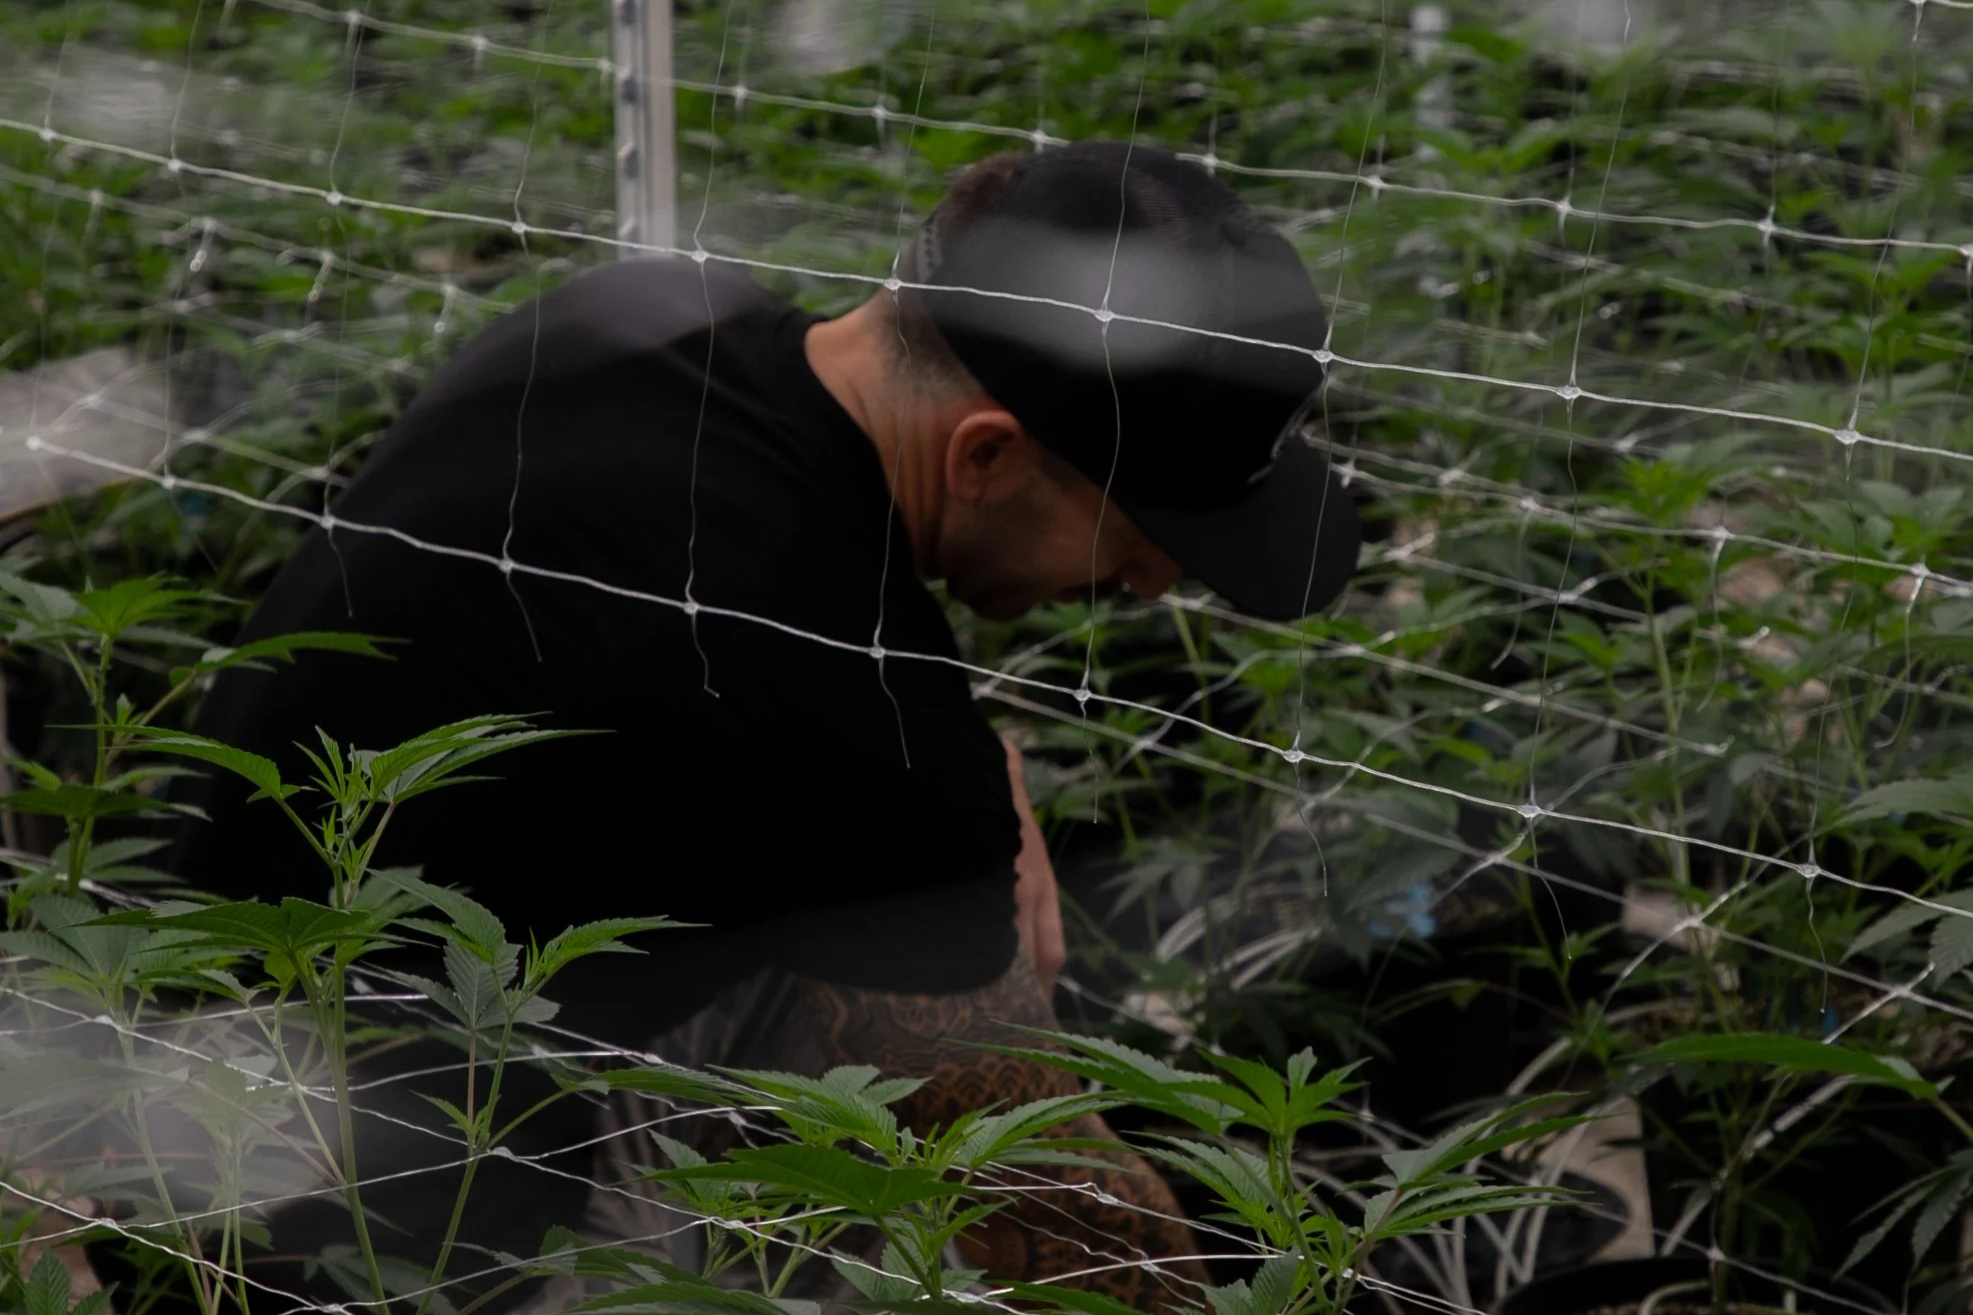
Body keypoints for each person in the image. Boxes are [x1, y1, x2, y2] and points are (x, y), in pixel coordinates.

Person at [166, 139, 1361, 1313]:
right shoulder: (854, 712)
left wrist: (969, 769)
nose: (1154, 583)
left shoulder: (639, 317)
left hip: (162, 1057)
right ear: (984, 455)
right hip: (360, 1251)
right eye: (1147, 531)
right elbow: (1037, 1164)